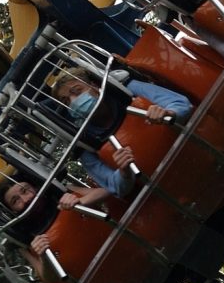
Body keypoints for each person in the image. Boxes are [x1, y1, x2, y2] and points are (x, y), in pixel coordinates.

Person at [50, 67, 193, 199]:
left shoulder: (126, 91)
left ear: (94, 85)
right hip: (164, 191)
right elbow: (114, 187)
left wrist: (168, 114)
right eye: (66, 100)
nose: (74, 101)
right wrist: (123, 172)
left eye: (77, 91)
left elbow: (181, 103)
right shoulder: (84, 141)